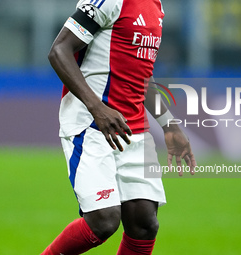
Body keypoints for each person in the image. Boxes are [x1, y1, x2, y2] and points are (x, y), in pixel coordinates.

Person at [42, 0, 196, 254]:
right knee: (103, 220)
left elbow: (142, 76)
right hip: (91, 124)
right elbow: (59, 51)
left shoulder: (156, 6)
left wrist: (169, 126)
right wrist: (97, 108)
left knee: (144, 224)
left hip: (133, 130)